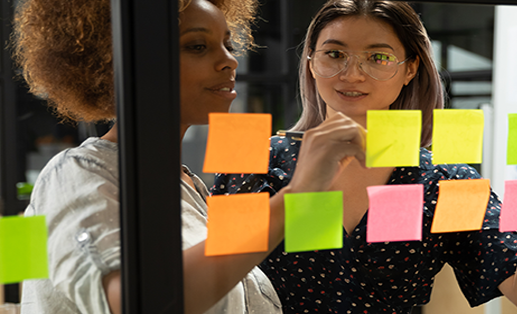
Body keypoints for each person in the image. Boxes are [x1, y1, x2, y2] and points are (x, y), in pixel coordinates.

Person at [212, 0, 517, 313]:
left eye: (378, 57)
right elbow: (211, 283)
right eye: (334, 54)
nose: (352, 73)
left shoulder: (443, 181)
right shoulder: (257, 163)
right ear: (311, 62)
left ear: (410, 69)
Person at [12, 0, 368, 313]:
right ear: (127, 60)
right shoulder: (77, 174)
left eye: (227, 44)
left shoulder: (189, 187)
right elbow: (140, 302)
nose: (229, 60)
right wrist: (298, 196)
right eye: (198, 46)